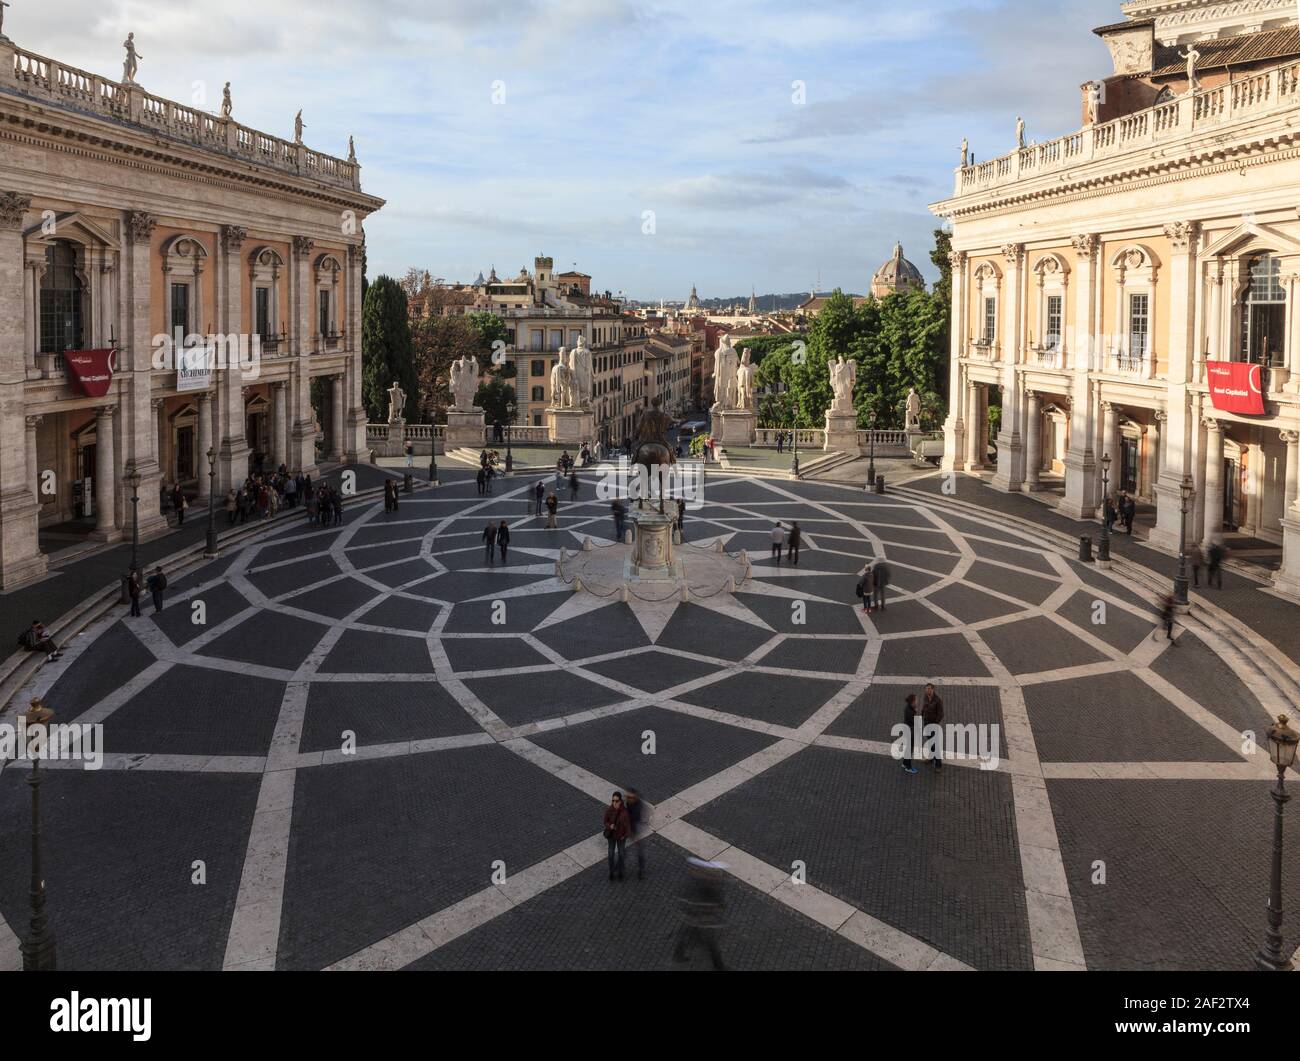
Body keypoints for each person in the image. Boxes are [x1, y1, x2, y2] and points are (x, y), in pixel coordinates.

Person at [672, 858, 727, 970]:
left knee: (687, 935)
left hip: (699, 921)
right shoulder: (699, 887)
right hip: (700, 921)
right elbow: (693, 904)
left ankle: (679, 953)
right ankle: (719, 966)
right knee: (711, 944)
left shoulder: (709, 886)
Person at [603, 791, 631, 881]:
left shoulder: (625, 812)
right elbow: (605, 821)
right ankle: (611, 872)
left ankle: (620, 872)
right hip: (611, 836)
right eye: (613, 800)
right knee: (610, 854)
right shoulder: (609, 810)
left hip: (621, 837)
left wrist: (625, 835)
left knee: (621, 854)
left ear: (620, 801)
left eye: (616, 801)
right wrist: (609, 826)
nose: (614, 803)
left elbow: (628, 825)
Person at [625, 787, 647, 879]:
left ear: (635, 798)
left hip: (635, 828)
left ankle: (641, 869)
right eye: (627, 797)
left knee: (639, 851)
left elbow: (634, 820)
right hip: (629, 827)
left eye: (630, 797)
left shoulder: (637, 807)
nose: (628, 799)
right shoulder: (629, 802)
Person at [922, 682, 944, 770]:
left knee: (935, 745)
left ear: (933, 689)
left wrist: (935, 723)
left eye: (930, 689)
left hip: (933, 725)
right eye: (927, 689)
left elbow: (941, 714)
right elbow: (924, 708)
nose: (928, 690)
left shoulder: (938, 700)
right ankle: (931, 758)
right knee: (930, 742)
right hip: (926, 723)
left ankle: (938, 765)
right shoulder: (925, 697)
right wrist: (921, 715)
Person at [901, 693, 919, 774]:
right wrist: (916, 712)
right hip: (910, 732)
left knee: (907, 749)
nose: (917, 701)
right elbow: (915, 721)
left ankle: (904, 763)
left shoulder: (909, 708)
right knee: (909, 750)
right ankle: (908, 767)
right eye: (916, 700)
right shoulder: (910, 711)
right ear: (912, 702)